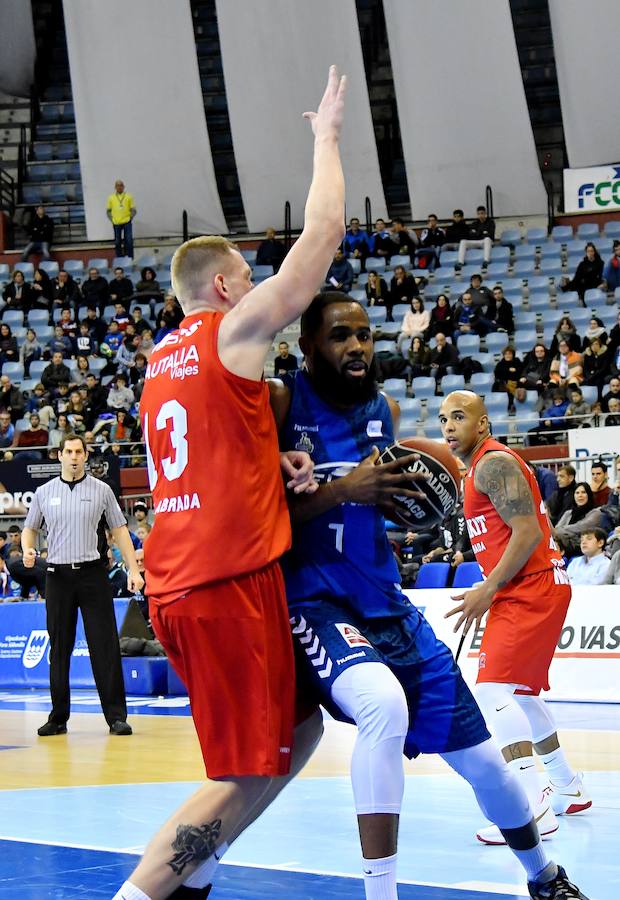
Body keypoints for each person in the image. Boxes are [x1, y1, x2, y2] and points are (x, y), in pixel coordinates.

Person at [114, 66, 347, 900]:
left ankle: (197, 873)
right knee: (248, 773)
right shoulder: (229, 328)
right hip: (225, 581)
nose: (257, 293)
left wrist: (265, 462)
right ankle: (143, 893)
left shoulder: (157, 364)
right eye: (247, 279)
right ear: (221, 288)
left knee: (298, 728)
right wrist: (324, 138)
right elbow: (320, 240)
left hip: (179, 581)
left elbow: (205, 450)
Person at [271, 297, 588, 900]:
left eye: (366, 334)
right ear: (307, 345)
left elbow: (376, 500)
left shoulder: (385, 411)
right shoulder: (280, 403)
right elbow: (257, 516)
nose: (358, 346)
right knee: (384, 708)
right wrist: (344, 490)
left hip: (387, 603)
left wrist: (398, 504)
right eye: (341, 335)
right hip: (316, 603)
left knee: (488, 764)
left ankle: (544, 877)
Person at [440, 391, 591, 845]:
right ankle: (567, 786)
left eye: (460, 417)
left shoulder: (493, 463)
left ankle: (532, 805)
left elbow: (526, 532)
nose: (448, 426)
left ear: (483, 425)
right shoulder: (479, 468)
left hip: (530, 586)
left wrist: (488, 588)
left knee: (491, 692)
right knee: (520, 694)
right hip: (530, 585)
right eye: (444, 418)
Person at [22, 433, 142, 735]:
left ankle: (116, 716)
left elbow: (121, 530)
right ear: (59, 455)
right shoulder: (43, 492)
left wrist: (133, 569)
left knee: (105, 645)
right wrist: (27, 548)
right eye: (69, 451)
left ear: (85, 456)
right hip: (58, 577)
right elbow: (29, 528)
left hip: (93, 575)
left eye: (79, 451)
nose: (74, 456)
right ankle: (58, 717)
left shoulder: (102, 491)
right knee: (59, 648)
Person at [554, 482, 603, 558]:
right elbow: (556, 530)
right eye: (577, 493)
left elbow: (581, 527)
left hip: (581, 546)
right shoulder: (568, 513)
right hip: (563, 546)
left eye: (583, 492)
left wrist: (563, 532)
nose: (580, 495)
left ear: (589, 495)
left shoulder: (595, 513)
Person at [106, 179, 136, 258]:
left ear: (123, 187)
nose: (119, 187)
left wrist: (130, 217)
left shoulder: (129, 196)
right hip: (116, 222)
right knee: (117, 241)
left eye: (121, 185)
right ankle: (119, 258)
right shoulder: (111, 198)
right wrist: (112, 219)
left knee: (129, 241)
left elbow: (133, 209)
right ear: (115, 187)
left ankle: (130, 257)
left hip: (127, 222)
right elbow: (108, 211)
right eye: (118, 186)